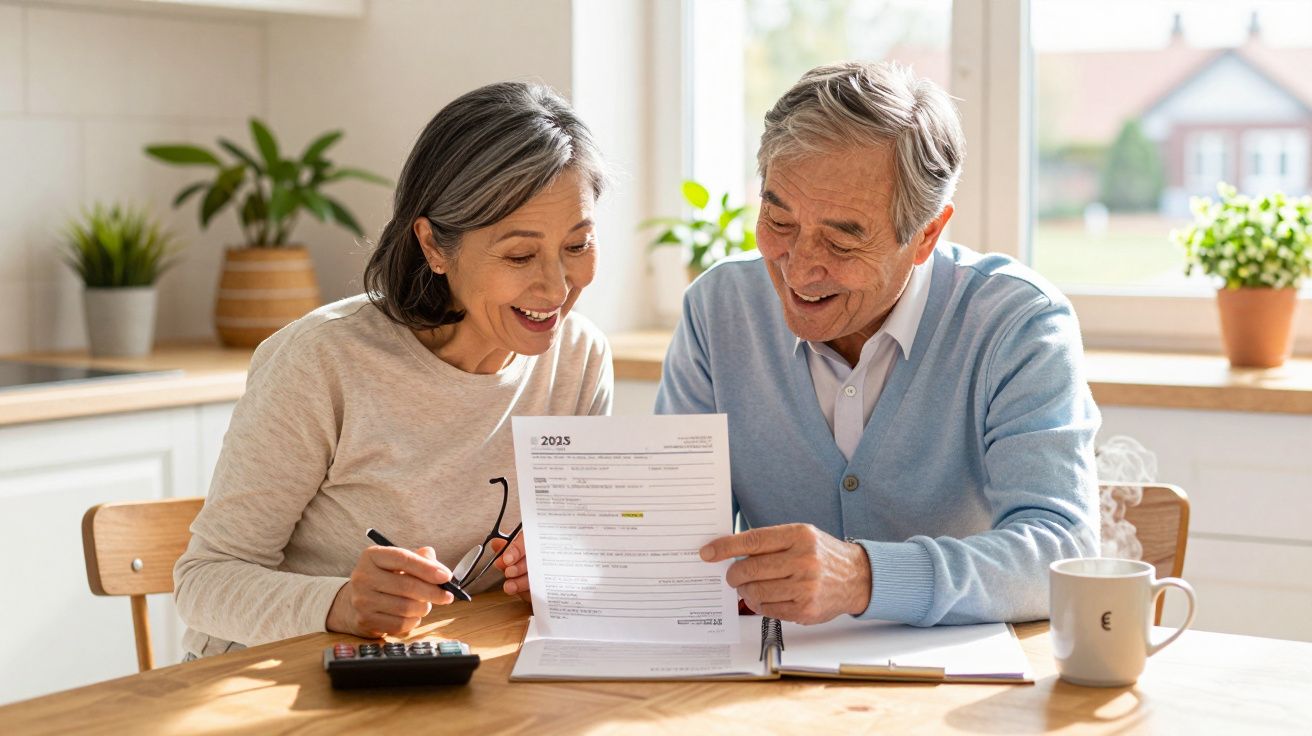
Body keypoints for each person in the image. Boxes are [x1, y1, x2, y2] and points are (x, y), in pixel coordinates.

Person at [174, 81, 610, 658]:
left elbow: (574, 555)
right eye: (519, 255)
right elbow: (203, 582)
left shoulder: (578, 360)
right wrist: (339, 605)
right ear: (433, 245)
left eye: (578, 245)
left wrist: (558, 567)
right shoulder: (322, 361)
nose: (557, 287)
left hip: (442, 681)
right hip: (263, 685)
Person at [658, 61, 1101, 627]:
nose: (800, 267)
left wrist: (862, 577)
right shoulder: (718, 310)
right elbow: (675, 538)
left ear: (926, 236)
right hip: (769, 692)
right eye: (779, 220)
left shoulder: (1017, 325)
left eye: (843, 239)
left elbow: (1062, 551)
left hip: (952, 696)